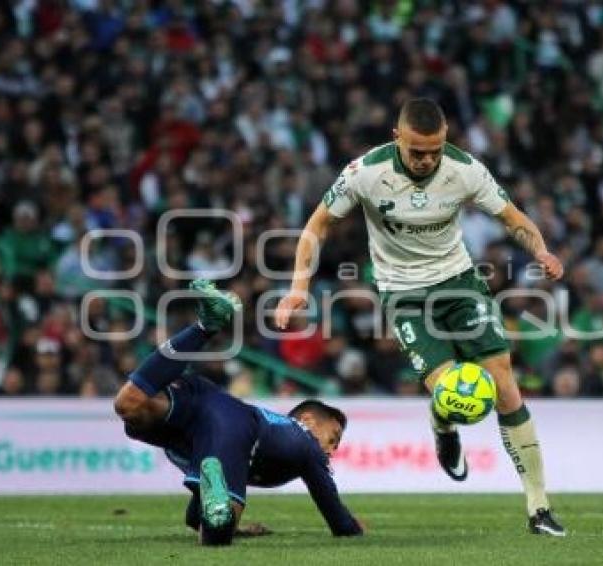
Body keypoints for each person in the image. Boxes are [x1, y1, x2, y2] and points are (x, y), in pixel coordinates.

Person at [275, 98, 566, 536]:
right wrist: (298, 289)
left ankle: (539, 508)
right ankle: (442, 424)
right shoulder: (365, 173)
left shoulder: (464, 169)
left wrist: (539, 248)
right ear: (398, 138)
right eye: (417, 151)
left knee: (504, 382)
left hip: (459, 283)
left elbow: (513, 218)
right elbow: (317, 226)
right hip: (404, 294)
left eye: (435, 150)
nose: (427, 159)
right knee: (450, 389)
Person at [113, 279, 363, 545]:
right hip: (229, 424)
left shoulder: (274, 435)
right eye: (333, 436)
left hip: (202, 410)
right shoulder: (305, 443)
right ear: (308, 420)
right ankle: (221, 516)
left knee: (129, 404)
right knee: (216, 536)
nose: (333, 449)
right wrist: (353, 527)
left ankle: (203, 327)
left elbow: (193, 517)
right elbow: (338, 519)